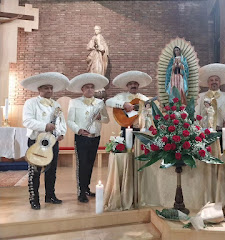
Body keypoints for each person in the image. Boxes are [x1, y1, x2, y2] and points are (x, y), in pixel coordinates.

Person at [21, 72, 69, 210]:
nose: (49, 90)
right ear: (39, 90)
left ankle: (50, 195)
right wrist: (44, 126)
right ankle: (34, 199)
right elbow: (27, 120)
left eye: (51, 88)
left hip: (52, 142)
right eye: (46, 88)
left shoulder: (56, 104)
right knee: (35, 171)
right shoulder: (30, 103)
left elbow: (61, 122)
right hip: (36, 141)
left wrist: (61, 133)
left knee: (51, 170)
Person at [67, 73, 110, 203]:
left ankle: (86, 188)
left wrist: (100, 118)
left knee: (90, 164)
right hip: (81, 137)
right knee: (82, 165)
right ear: (82, 90)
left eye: (92, 87)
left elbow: (107, 119)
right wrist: (78, 130)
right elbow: (70, 120)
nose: (90, 89)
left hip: (95, 137)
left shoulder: (100, 103)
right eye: (87, 87)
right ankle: (80, 192)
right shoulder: (74, 102)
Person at [105, 70, 152, 138]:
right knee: (126, 147)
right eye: (130, 84)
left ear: (138, 85)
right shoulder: (121, 96)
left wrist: (147, 110)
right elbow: (108, 102)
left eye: (135, 83)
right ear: (127, 86)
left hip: (140, 128)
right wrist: (123, 104)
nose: (133, 85)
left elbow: (149, 114)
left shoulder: (144, 98)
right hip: (126, 125)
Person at [196, 63, 225, 131]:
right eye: (211, 80)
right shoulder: (200, 96)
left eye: (216, 80)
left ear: (220, 82)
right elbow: (196, 114)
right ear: (208, 83)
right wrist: (197, 127)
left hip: (220, 130)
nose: (214, 82)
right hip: (204, 131)